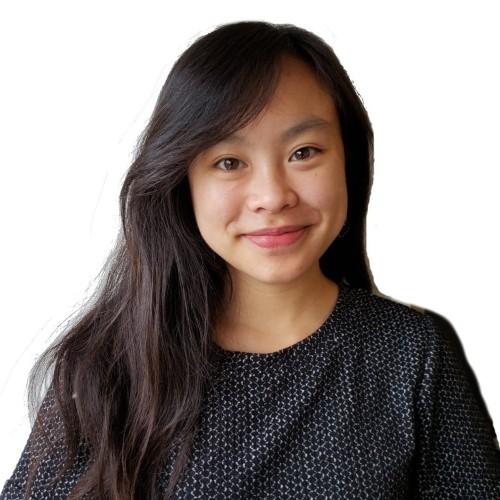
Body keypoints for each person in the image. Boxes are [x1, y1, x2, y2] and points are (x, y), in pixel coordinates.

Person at [1, 20, 499, 500]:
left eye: (304, 152)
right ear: (183, 183)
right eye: (229, 162)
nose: (272, 196)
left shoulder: (413, 355)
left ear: (348, 159)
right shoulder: (105, 367)